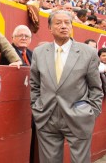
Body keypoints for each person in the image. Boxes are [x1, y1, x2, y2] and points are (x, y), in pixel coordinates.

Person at [30, 10, 103, 163]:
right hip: (47, 117)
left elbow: (96, 88)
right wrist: (37, 107)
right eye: (58, 23)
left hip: (79, 117)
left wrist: (90, 113)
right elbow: (35, 84)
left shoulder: (88, 53)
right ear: (49, 28)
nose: (63, 26)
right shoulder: (39, 52)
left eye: (67, 23)